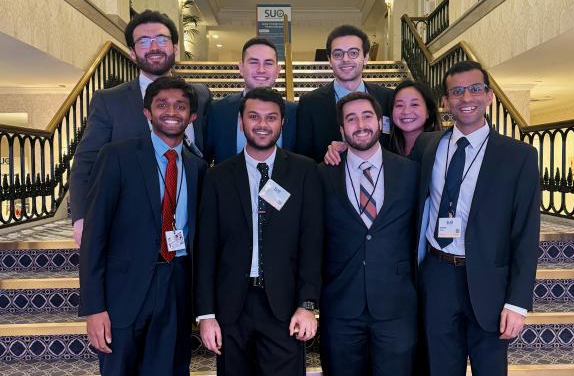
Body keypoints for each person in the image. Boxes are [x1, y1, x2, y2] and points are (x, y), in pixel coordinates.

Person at [411, 61, 540, 376]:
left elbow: (526, 233)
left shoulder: (518, 156)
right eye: (456, 91)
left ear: (489, 95)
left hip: (489, 282)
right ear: (445, 101)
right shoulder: (427, 146)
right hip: (437, 274)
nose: (466, 98)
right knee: (439, 368)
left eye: (474, 89)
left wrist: (518, 302)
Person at [78, 77, 208, 375]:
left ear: (192, 117)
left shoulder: (198, 168)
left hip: (176, 290)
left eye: (180, 106)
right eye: (162, 105)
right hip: (124, 294)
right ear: (147, 112)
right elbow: (94, 236)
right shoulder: (117, 156)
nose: (171, 112)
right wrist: (94, 308)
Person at [195, 87, 323, 375]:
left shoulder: (304, 172)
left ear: (282, 123)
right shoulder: (218, 176)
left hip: (285, 305)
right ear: (241, 122)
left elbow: (311, 242)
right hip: (231, 308)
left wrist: (307, 304)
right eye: (254, 116)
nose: (262, 125)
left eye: (271, 118)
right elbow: (206, 248)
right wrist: (206, 314)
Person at [69, 9, 211, 246]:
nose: (154, 47)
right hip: (129, 230)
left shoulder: (201, 96)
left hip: (188, 230)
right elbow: (86, 162)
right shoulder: (109, 100)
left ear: (175, 48)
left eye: (162, 39)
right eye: (144, 41)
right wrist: (81, 218)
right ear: (132, 52)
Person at [318, 92, 419, 376]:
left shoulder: (410, 172)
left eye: (366, 116)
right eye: (351, 119)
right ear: (341, 130)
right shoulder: (322, 175)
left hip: (396, 307)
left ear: (380, 122)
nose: (360, 124)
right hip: (340, 306)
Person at [296, 25, 393, 163]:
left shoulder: (388, 98)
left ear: (365, 57)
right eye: (338, 54)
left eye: (353, 53)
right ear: (329, 60)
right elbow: (304, 158)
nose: (345, 59)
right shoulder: (310, 103)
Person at [203, 37, 297, 164]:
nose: (261, 70)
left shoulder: (296, 112)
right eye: (254, 62)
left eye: (268, 63)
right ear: (241, 68)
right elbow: (205, 159)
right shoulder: (218, 110)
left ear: (277, 71)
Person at [323, 79, 442, 164]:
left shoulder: (440, 148)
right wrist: (345, 147)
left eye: (414, 104)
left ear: (428, 111)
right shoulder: (387, 146)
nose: (406, 111)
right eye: (399, 105)